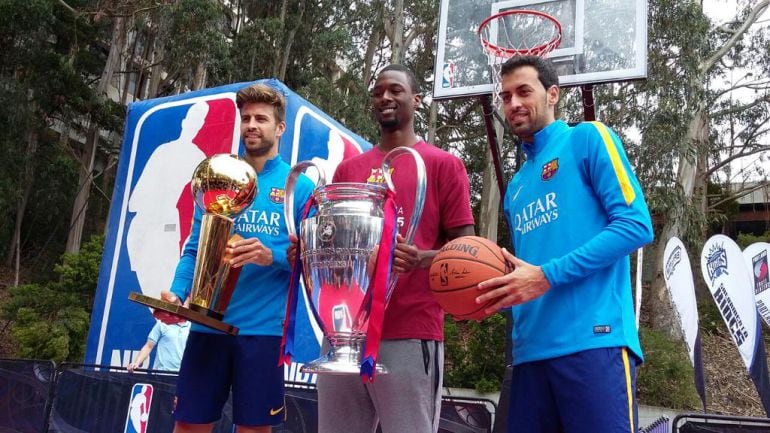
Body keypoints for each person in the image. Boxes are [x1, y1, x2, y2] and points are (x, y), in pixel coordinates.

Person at [476, 55, 654, 433]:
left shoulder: (587, 138)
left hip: (593, 343)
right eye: (505, 96)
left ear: (553, 93)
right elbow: (527, 272)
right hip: (529, 357)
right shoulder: (517, 189)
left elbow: (636, 225)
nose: (514, 103)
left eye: (524, 91)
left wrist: (547, 276)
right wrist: (488, 292)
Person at [307, 64, 476, 433]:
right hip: (345, 332)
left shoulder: (444, 165)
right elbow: (333, 243)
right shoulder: (349, 169)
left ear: (416, 100)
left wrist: (421, 259)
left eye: (395, 90)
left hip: (410, 330)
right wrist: (308, 252)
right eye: (378, 91)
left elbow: (467, 249)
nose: (385, 97)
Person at [156, 83, 315, 433]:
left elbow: (310, 263)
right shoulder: (220, 178)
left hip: (262, 332)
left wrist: (268, 255)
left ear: (280, 128)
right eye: (246, 119)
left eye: (261, 118)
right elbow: (195, 249)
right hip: (207, 325)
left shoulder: (298, 186)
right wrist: (176, 296)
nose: (252, 125)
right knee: (189, 426)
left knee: (254, 430)